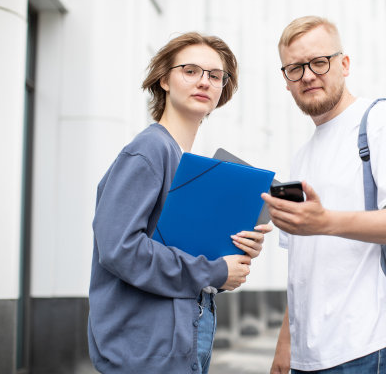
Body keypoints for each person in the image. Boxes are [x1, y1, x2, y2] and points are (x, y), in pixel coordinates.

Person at [88, 32, 271, 374]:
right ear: (164, 80)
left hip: (180, 337)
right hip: (145, 349)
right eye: (190, 70)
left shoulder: (184, 162)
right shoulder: (148, 151)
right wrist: (214, 270)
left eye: (215, 76)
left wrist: (234, 252)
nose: (204, 81)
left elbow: (179, 247)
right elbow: (118, 249)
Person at [262, 16, 386, 374]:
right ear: (285, 80)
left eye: (319, 62)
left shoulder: (381, 120)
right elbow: (303, 263)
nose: (308, 75)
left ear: (344, 64)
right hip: (307, 355)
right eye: (295, 68)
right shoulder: (301, 155)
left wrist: (326, 221)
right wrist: (286, 343)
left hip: (366, 346)